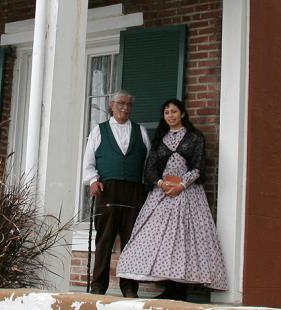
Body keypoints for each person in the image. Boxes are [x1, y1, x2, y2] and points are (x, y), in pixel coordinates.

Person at [116, 98, 228, 301]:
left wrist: (181, 185)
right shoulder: (159, 139)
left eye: (174, 111)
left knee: (183, 241)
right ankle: (169, 288)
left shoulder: (194, 138)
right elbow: (149, 168)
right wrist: (161, 184)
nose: (170, 115)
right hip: (162, 194)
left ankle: (180, 291)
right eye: (167, 112)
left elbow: (199, 166)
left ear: (182, 114)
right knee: (158, 241)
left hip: (187, 194)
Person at [82, 90, 150, 297]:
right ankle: (98, 286)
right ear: (111, 105)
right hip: (107, 190)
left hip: (134, 192)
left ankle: (129, 287)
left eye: (129, 104)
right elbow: (89, 163)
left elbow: (148, 164)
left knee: (131, 242)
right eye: (121, 103)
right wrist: (93, 180)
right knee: (104, 240)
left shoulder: (141, 132)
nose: (125, 108)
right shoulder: (98, 131)